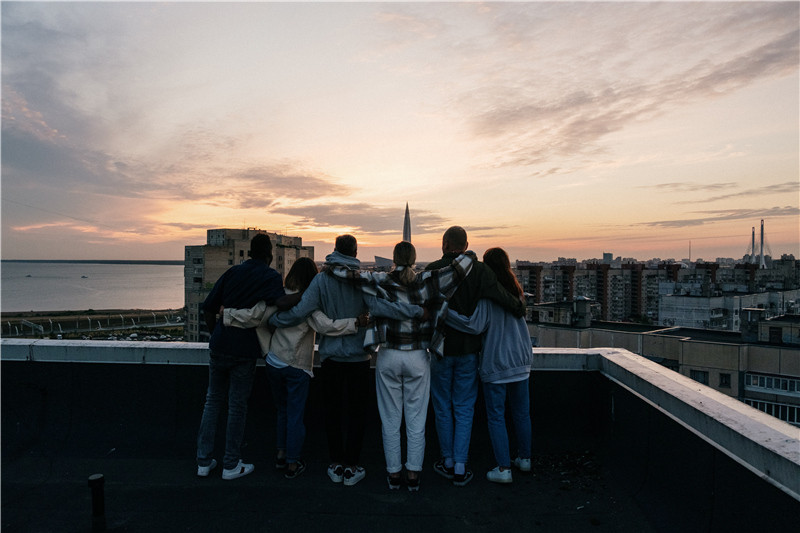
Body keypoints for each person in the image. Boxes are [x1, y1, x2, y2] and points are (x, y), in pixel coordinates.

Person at [267, 235, 424, 486]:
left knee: (333, 412)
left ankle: (336, 463)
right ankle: (352, 465)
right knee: (356, 414)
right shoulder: (360, 279)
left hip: (330, 358)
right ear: (355, 252)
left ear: (334, 250)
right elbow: (382, 308)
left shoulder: (320, 279)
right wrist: (416, 311)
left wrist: (274, 321)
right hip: (358, 358)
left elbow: (300, 312)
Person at [325, 241, 474, 491]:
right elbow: (463, 266)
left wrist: (331, 268)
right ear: (414, 258)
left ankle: (394, 475)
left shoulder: (381, 280)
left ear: (393, 258)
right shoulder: (426, 279)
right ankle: (413, 474)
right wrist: (466, 249)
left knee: (390, 420)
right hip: (417, 356)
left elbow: (350, 275)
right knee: (416, 421)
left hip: (389, 355)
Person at [222, 257, 369, 479]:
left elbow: (256, 315)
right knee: (295, 415)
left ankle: (281, 454)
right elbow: (326, 326)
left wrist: (226, 314)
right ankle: (292, 463)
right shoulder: (307, 303)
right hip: (296, 365)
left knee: (282, 411)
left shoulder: (280, 295)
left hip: (273, 361)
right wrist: (355, 322)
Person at [425, 226, 526, 486]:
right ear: (466, 244)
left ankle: (446, 460)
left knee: (442, 407)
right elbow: (500, 295)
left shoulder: (432, 270)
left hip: (440, 350)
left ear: (445, 244)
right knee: (464, 407)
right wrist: (518, 306)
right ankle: (460, 465)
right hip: (469, 352)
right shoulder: (480, 270)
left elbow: (418, 306)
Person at [196, 233, 285, 480]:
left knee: (212, 401)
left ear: (250, 252)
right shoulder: (270, 276)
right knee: (237, 407)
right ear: (269, 255)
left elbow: (209, 307)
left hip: (220, 344)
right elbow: (279, 302)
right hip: (243, 349)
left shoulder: (233, 272)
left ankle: (203, 462)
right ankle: (230, 464)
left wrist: (216, 333)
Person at [444, 247, 533, 484]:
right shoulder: (518, 292)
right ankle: (524, 459)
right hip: (521, 361)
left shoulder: (488, 296)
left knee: (496, 417)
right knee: (522, 414)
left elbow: (474, 326)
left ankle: (504, 469)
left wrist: (446, 313)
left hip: (497, 363)